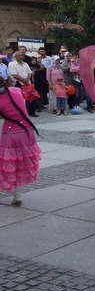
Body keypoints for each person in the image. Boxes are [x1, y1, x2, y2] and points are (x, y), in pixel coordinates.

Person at [0, 77, 41, 206]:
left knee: (7, 164)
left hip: (10, 133)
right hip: (26, 131)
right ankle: (18, 196)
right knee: (21, 164)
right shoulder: (16, 91)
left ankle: (10, 191)